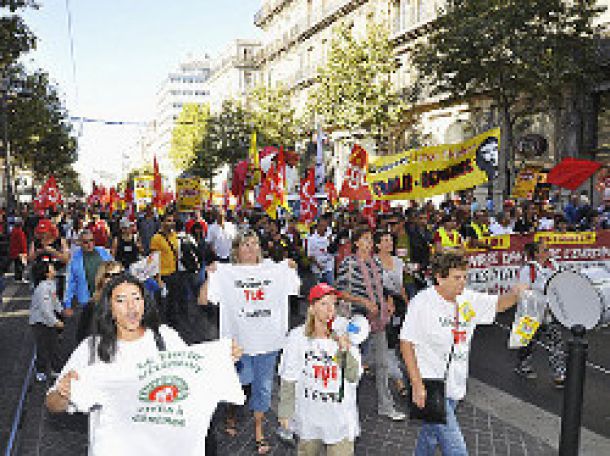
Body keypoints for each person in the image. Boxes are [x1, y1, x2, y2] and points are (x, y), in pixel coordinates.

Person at [46, 273, 242, 456]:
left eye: (136, 298)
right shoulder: (92, 349)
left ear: (144, 303)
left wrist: (222, 360)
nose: (131, 306)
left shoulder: (165, 338)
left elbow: (195, 378)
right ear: (110, 308)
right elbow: (52, 404)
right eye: (121, 300)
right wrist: (64, 393)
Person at [400, 251, 527, 455]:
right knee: (455, 448)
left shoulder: (467, 299)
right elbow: (406, 343)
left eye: (465, 277)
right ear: (439, 278)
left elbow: (498, 304)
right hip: (430, 385)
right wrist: (416, 384)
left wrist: (515, 294)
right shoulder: (422, 303)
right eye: (457, 277)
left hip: (454, 384)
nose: (462, 282)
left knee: (430, 436)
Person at [199, 229, 300, 454]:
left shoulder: (274, 269)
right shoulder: (227, 272)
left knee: (263, 388)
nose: (251, 248)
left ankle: (258, 431)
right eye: (245, 244)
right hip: (239, 344)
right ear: (236, 249)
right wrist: (210, 276)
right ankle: (231, 413)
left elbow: (295, 288)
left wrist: (291, 269)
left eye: (254, 244)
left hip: (268, 341)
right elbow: (203, 299)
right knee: (240, 383)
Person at [278, 283, 362, 456]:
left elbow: (353, 376)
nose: (330, 309)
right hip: (309, 417)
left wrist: (345, 350)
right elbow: (289, 376)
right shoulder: (297, 337)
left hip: (339, 419)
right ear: (312, 308)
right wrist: (285, 411)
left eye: (333, 303)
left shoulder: (345, 334)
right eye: (324, 304)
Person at [336, 227, 405, 421]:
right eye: (365, 239)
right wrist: (364, 302)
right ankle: (345, 407)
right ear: (356, 242)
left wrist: (388, 300)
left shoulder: (375, 262)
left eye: (370, 239)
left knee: (382, 363)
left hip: (378, 318)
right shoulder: (348, 264)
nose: (369, 243)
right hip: (356, 321)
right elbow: (340, 292)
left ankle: (386, 405)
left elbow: (381, 286)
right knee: (351, 363)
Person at [514, 242, 566, 387]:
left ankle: (559, 373)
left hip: (550, 313)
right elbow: (523, 291)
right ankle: (522, 364)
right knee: (528, 342)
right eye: (545, 250)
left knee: (555, 342)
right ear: (536, 254)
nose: (548, 252)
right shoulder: (527, 270)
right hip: (532, 312)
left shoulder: (553, 266)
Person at [375, 230, 409, 397]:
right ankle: (399, 381)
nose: (390, 243)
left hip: (399, 304)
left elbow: (401, 285)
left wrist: (407, 303)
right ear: (378, 245)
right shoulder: (374, 263)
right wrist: (387, 301)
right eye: (385, 240)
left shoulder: (398, 261)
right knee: (388, 343)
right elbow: (376, 286)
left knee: (401, 340)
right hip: (383, 306)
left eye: (390, 240)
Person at [63, 229, 113, 343]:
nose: (89, 244)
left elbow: (114, 268)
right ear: (80, 243)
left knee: (106, 332)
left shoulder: (103, 252)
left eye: (91, 240)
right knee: (84, 335)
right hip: (85, 303)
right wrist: (67, 304)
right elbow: (69, 283)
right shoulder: (74, 259)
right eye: (85, 242)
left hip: (105, 300)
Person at [30, 260, 64, 382]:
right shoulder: (43, 288)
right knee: (43, 347)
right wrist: (56, 321)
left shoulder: (51, 284)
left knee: (54, 346)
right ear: (46, 273)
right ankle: (40, 370)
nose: (54, 269)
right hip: (40, 322)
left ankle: (56, 369)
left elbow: (54, 301)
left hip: (48, 321)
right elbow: (45, 310)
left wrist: (61, 310)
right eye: (51, 268)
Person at [149, 212, 180, 326]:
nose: (171, 223)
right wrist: (158, 279)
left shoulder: (174, 235)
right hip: (163, 276)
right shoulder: (156, 238)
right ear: (162, 223)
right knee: (163, 305)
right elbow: (153, 260)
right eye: (168, 221)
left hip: (174, 274)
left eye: (172, 221)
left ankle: (173, 325)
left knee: (173, 302)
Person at [307, 218, 335, 285]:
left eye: (325, 226)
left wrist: (331, 241)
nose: (324, 228)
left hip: (329, 268)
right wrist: (318, 265)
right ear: (318, 226)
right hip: (317, 270)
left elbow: (334, 251)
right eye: (322, 225)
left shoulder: (330, 237)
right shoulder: (312, 239)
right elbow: (310, 255)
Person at [9, 217, 27, 282]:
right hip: (19, 252)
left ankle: (17, 277)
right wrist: (24, 252)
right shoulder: (19, 232)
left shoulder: (14, 230)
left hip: (15, 251)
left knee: (17, 265)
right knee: (20, 265)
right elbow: (22, 242)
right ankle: (19, 278)